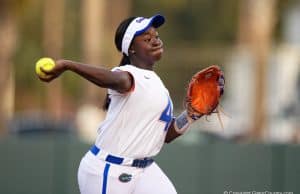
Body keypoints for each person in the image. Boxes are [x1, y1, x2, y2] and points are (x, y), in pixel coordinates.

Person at [39, 14, 200, 194]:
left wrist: (192, 114)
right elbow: (114, 79)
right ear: (131, 49)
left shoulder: (157, 84)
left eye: (156, 36)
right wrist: (69, 65)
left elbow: (165, 136)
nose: (155, 41)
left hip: (144, 169)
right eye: (147, 39)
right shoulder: (127, 74)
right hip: (109, 170)